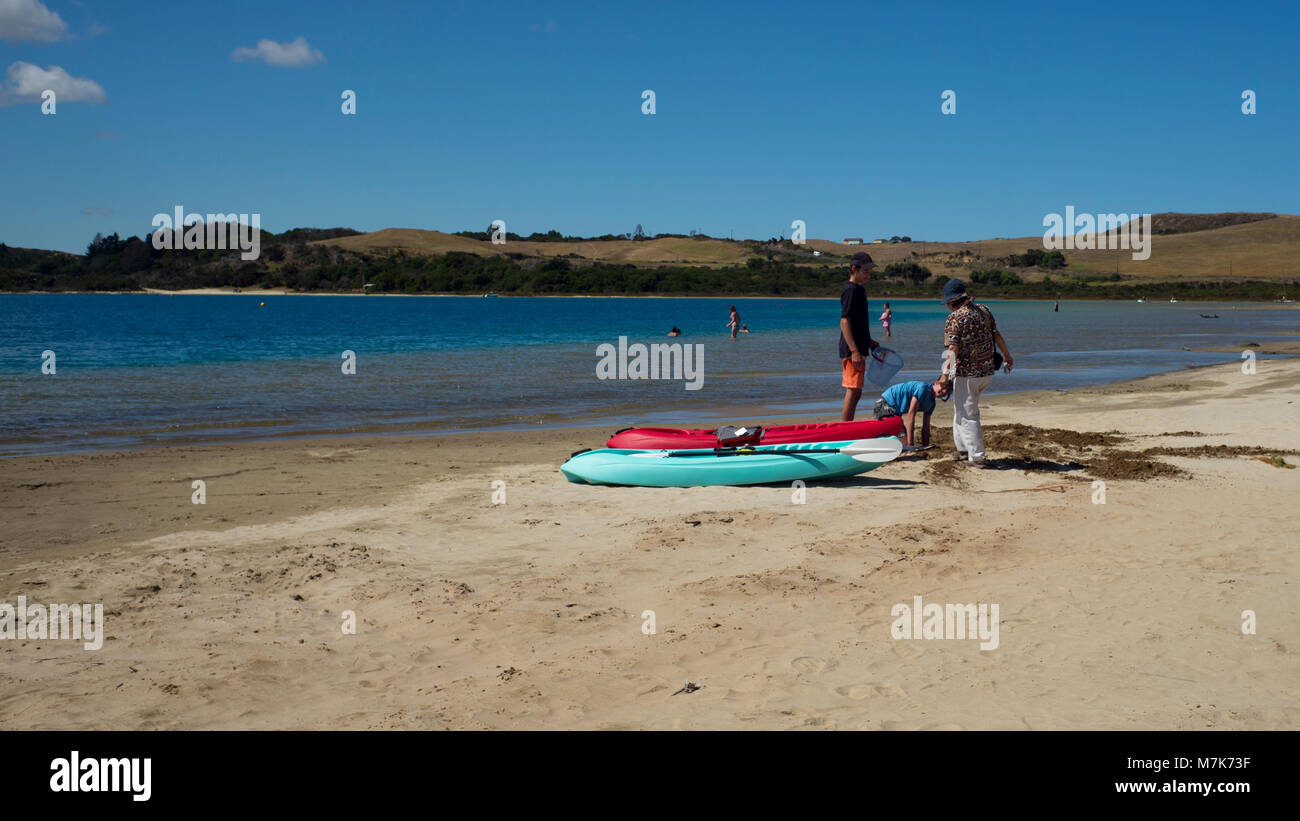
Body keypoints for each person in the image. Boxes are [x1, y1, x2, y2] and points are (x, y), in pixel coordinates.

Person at [939, 278, 1013, 465]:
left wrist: (944, 375)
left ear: (951, 301)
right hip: (987, 370)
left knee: (968, 413)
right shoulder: (984, 310)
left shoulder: (954, 318)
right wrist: (1007, 355)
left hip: (967, 373)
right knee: (961, 409)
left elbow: (953, 350)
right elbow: (996, 334)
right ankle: (963, 449)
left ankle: (977, 457)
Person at [839, 252, 880, 421]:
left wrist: (868, 341)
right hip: (852, 349)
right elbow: (844, 321)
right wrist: (854, 350)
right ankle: (845, 427)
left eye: (870, 271)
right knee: (853, 389)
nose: (868, 274)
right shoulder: (850, 290)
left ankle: (848, 424)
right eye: (865, 271)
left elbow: (859, 322)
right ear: (854, 269)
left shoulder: (859, 290)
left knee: (857, 390)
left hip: (860, 347)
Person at [873, 379, 949, 447]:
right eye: (943, 387)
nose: (945, 391)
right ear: (935, 383)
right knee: (903, 441)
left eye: (948, 391)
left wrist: (925, 446)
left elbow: (926, 426)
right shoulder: (923, 389)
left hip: (895, 414)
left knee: (903, 441)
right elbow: (910, 415)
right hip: (884, 404)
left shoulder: (932, 404)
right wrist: (911, 444)